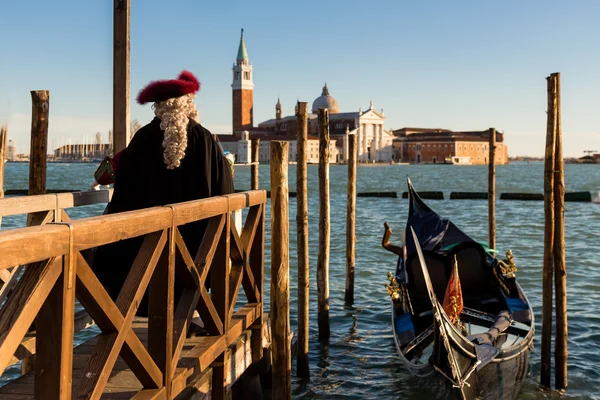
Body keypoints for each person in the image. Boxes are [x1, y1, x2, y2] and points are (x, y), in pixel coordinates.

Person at [91, 70, 234, 319]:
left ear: (158, 108)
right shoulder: (206, 140)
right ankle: (190, 317)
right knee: (189, 278)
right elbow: (224, 190)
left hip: (142, 248)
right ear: (188, 105)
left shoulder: (142, 139)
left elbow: (116, 182)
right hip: (195, 245)